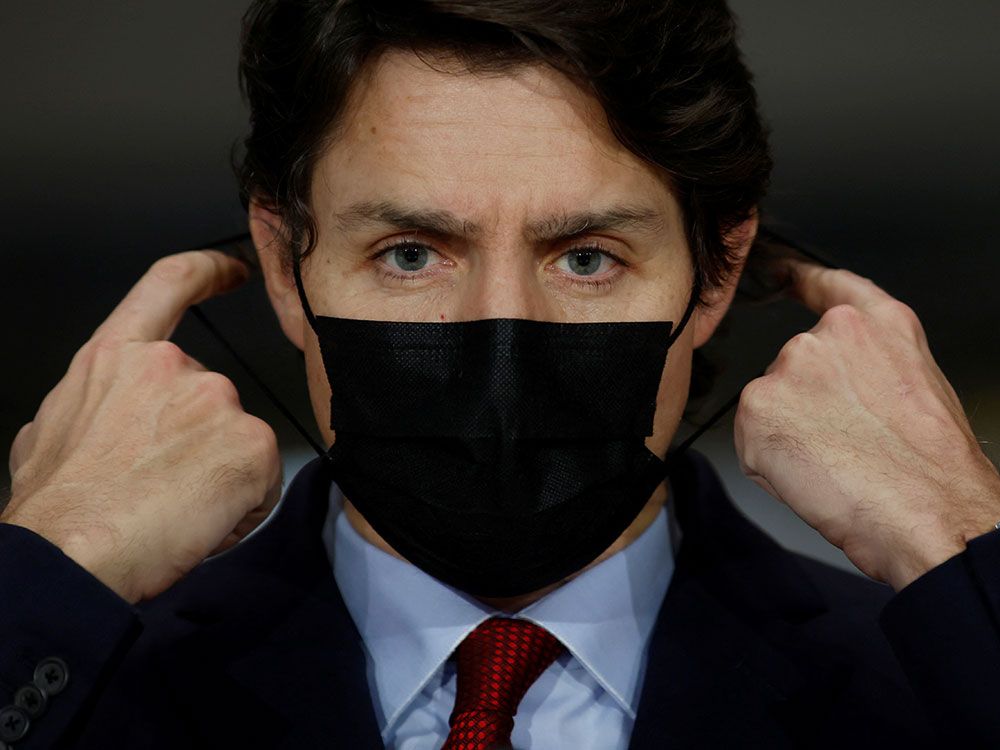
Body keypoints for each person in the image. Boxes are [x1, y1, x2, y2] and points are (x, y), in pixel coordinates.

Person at [2, 1, 999, 747]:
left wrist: (955, 538)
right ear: (281, 265)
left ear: (718, 272)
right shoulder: (64, 675)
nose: (497, 336)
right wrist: (54, 564)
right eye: (410, 252)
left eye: (585, 258)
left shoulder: (936, 673)